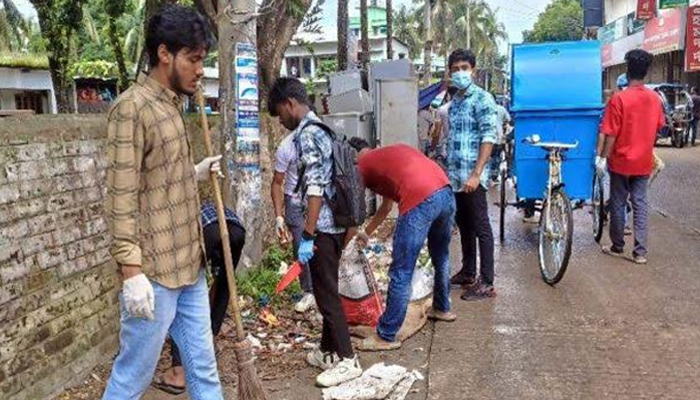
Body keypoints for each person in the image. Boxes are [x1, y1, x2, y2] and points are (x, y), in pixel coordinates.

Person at [101, 5, 225, 400]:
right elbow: (120, 195)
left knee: (203, 370)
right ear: (164, 54)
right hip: (153, 275)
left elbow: (156, 178)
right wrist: (131, 272)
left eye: (202, 60)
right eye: (193, 59)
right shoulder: (131, 109)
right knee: (132, 378)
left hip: (190, 265)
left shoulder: (171, 104)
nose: (200, 70)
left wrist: (196, 171)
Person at [267, 77, 362, 387]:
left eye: (280, 114)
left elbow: (316, 189)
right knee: (326, 288)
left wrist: (307, 235)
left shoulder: (307, 135)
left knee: (326, 296)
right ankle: (327, 351)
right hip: (336, 223)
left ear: (290, 104)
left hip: (321, 227)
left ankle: (348, 360)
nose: (281, 121)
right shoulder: (324, 127)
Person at [348, 139, 457, 350]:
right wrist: (366, 234)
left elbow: (354, 206)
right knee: (440, 255)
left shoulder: (361, 165)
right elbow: (387, 207)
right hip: (445, 192)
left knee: (401, 270)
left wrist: (349, 236)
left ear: (355, 156)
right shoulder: (387, 157)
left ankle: (386, 335)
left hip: (421, 197)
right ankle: (442, 308)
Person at [152, 202, 246, 395]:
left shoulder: (173, 221)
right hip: (236, 230)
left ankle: (178, 372)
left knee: (185, 295)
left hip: (208, 231)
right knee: (224, 285)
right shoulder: (194, 204)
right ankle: (207, 341)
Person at [598, 49, 665, 265]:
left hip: (620, 161)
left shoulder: (619, 99)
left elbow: (610, 133)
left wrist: (602, 157)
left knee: (618, 203)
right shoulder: (655, 99)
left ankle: (618, 246)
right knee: (640, 203)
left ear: (627, 73)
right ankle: (640, 253)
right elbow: (658, 128)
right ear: (646, 73)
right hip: (644, 161)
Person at [444, 49, 498, 300]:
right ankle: (468, 271)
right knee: (464, 224)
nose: (459, 73)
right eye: (454, 69)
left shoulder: (483, 99)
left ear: (473, 71)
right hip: (456, 176)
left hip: (473, 176)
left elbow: (489, 137)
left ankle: (486, 282)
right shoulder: (454, 103)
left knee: (480, 226)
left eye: (464, 67)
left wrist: (477, 174)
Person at [271, 126, 317, 313]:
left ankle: (326, 286)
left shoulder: (320, 142)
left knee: (321, 242)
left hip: (317, 196)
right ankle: (309, 291)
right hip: (295, 199)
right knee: (300, 244)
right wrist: (279, 217)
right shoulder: (285, 147)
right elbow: (277, 182)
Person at [489, 97, 512, 184]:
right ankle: (494, 176)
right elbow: (509, 120)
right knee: (496, 157)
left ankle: (486, 175)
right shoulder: (501, 109)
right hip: (498, 137)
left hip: (485, 138)